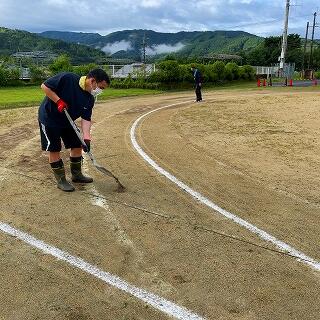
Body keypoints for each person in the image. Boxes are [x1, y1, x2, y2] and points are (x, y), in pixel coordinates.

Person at [38, 68, 110, 192]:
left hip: (67, 120)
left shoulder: (89, 99)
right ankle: (61, 180)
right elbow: (44, 86)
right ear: (92, 81)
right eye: (101, 88)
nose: (100, 91)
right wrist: (58, 101)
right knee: (54, 148)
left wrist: (86, 138)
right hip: (49, 118)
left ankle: (76, 175)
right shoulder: (68, 78)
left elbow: (86, 119)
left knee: (77, 144)